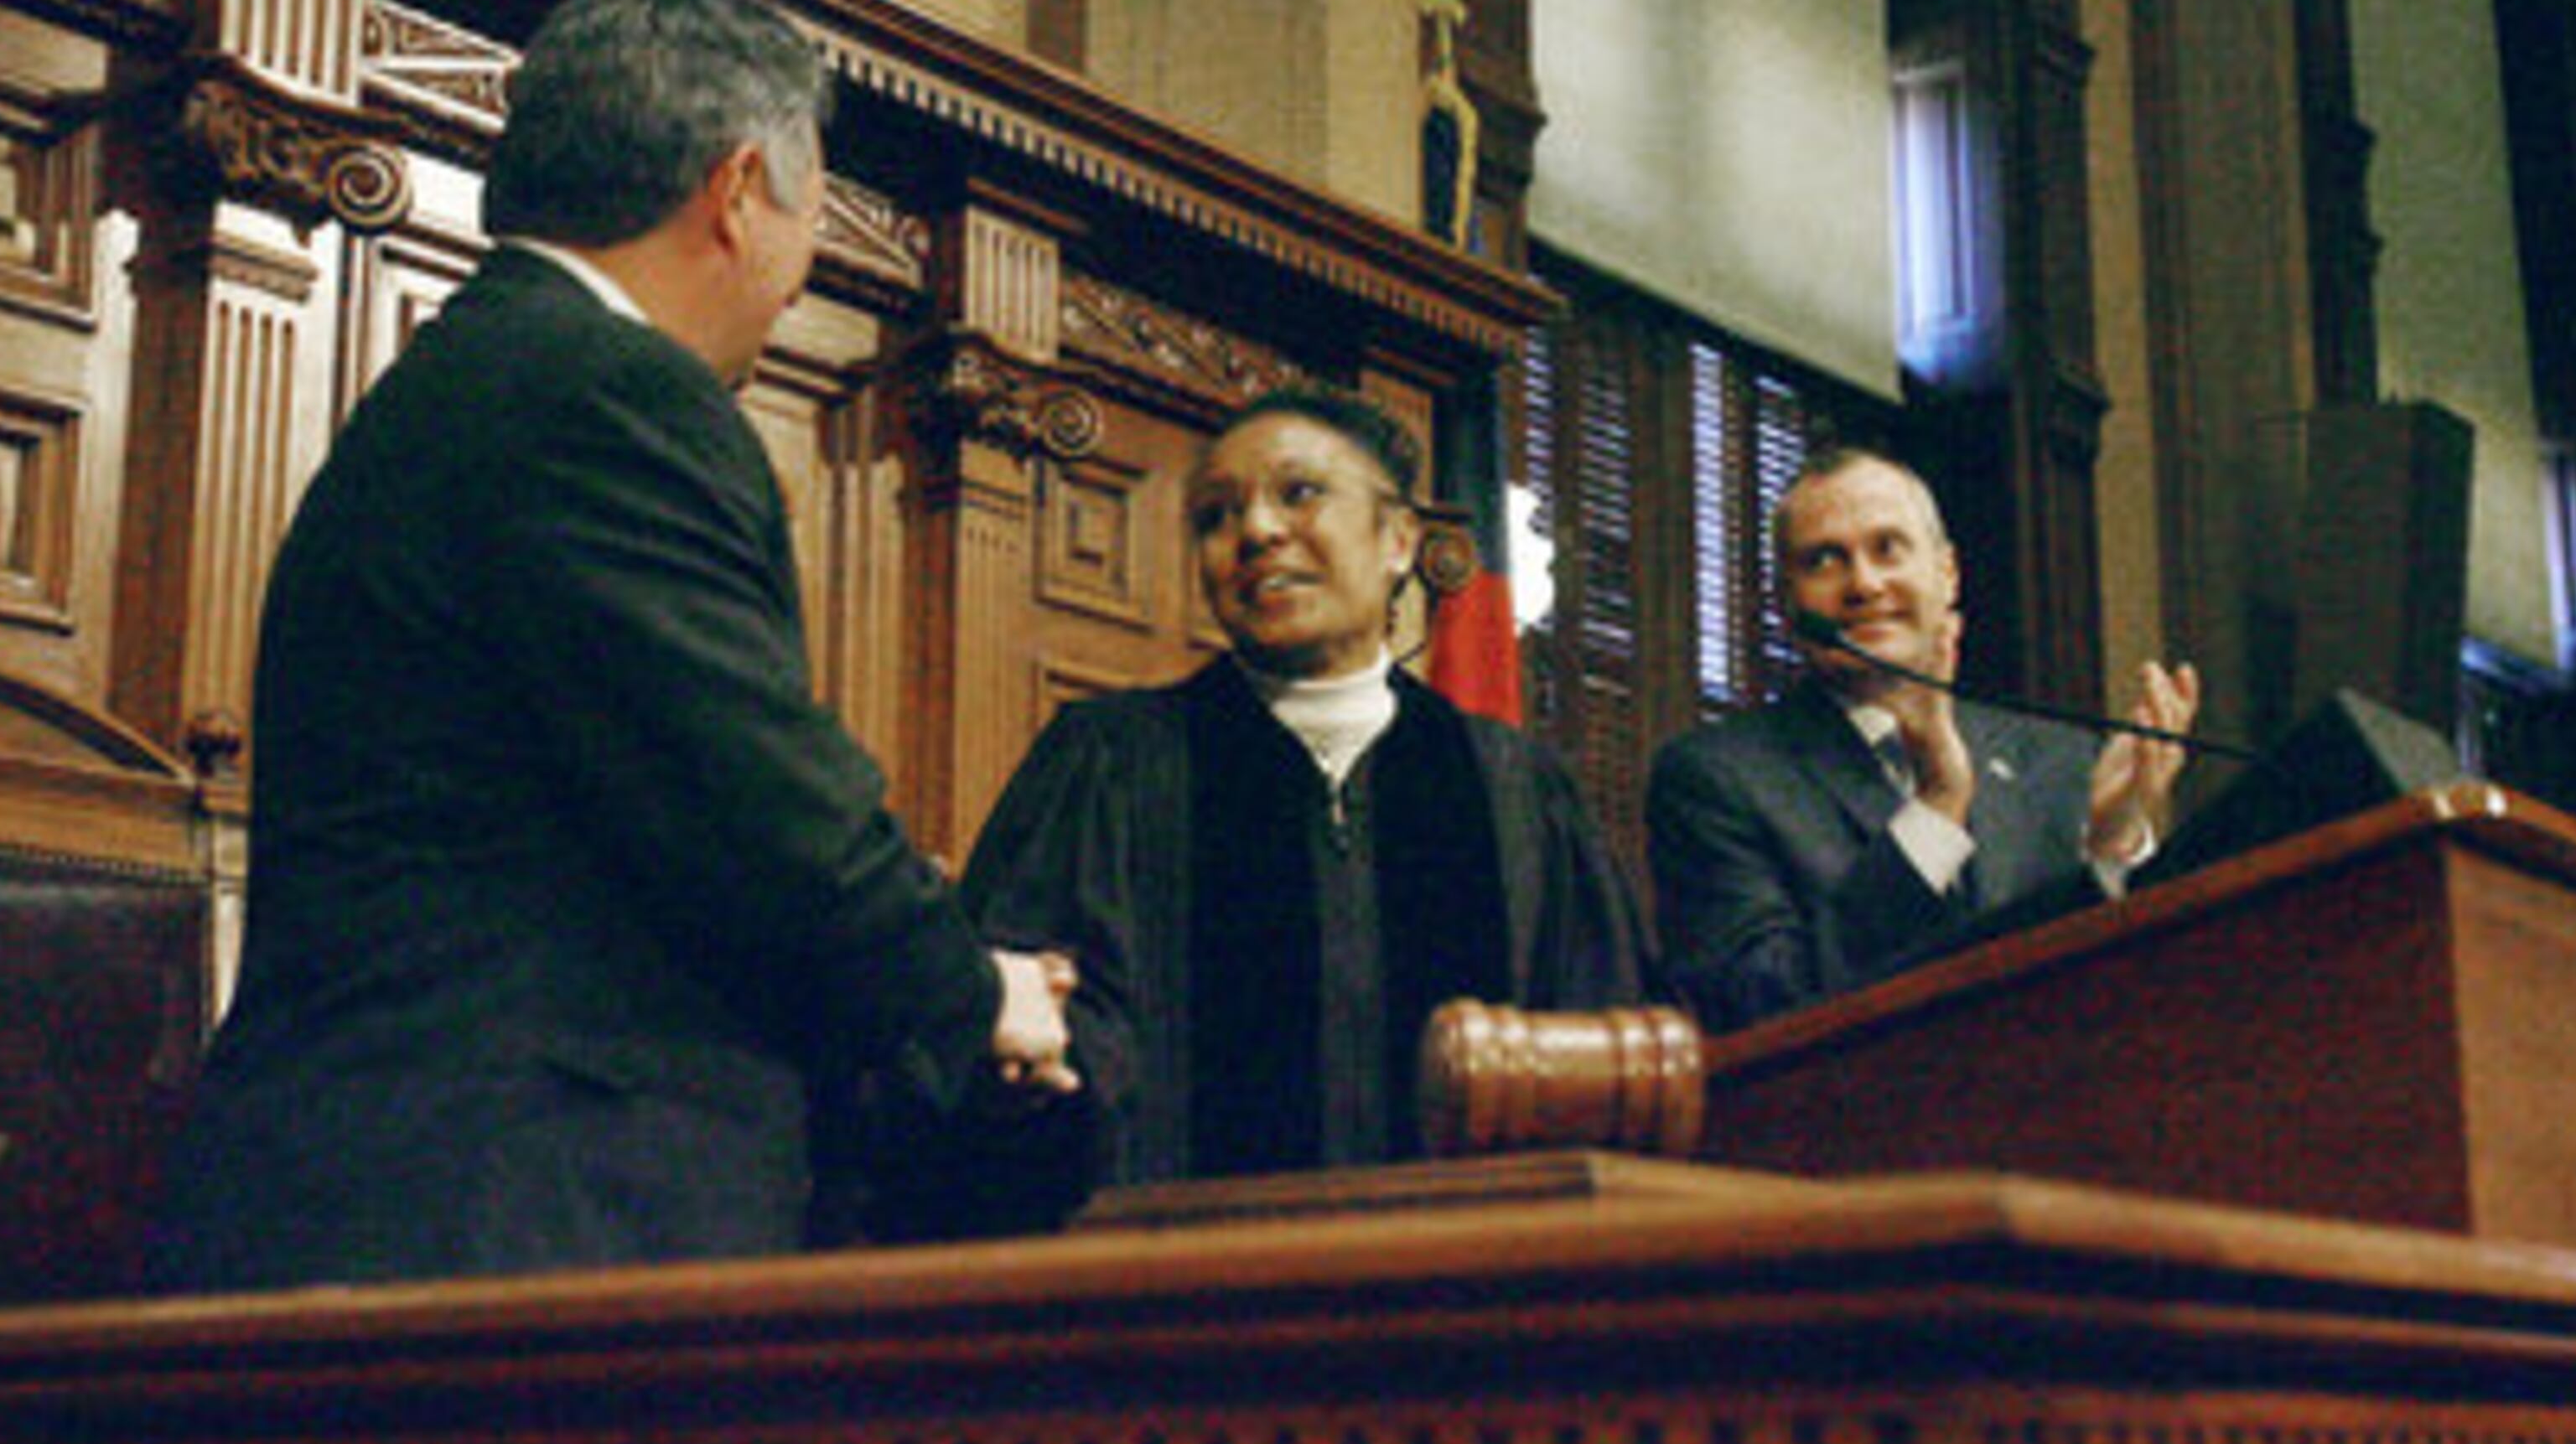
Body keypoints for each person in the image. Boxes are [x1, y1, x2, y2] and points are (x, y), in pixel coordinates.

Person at [146, 0, 1075, 1291]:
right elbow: (757, 801)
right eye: (812, 218)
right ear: (738, 190)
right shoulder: (612, 392)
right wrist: (978, 994)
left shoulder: (480, 372)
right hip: (503, 1223)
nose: (801, 276)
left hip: (404, 1204)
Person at [904, 385, 1651, 1212]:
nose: (1255, 530)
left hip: (1472, 1270)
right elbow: (1024, 1041)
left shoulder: (1516, 788)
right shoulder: (1110, 762)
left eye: (1299, 493)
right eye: (1216, 515)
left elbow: (1605, 1055)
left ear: (1398, 540)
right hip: (1181, 1272)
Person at [1645, 446, 2200, 1033]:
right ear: (1786, 605)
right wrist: (1936, 809)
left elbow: (2145, 994)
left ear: (1947, 574)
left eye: (1888, 548)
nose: (1864, 584)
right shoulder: (1715, 779)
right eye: (1824, 560)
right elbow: (1759, 1009)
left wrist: (2113, 848)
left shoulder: (2059, 760)